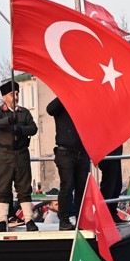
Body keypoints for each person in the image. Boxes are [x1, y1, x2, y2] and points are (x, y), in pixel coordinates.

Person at [0, 80, 39, 232]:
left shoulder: (24, 112)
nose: (16, 96)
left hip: (21, 154)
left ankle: (29, 219)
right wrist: (8, 120)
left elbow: (33, 128)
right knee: (3, 189)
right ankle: (2, 220)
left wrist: (21, 130)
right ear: (5, 97)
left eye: (17, 93)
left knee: (24, 188)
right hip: (4, 154)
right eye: (12, 94)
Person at [46, 97, 88, 231]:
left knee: (82, 187)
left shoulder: (83, 103)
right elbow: (50, 109)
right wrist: (64, 94)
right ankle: (63, 220)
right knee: (67, 186)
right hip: (65, 151)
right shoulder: (62, 102)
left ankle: (81, 219)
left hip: (82, 152)